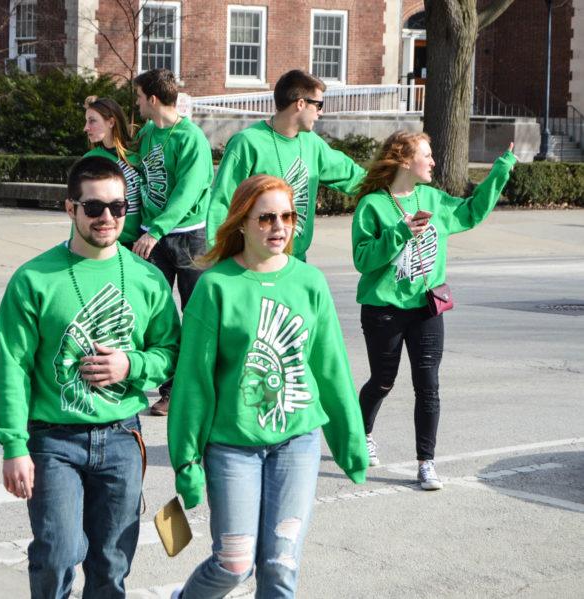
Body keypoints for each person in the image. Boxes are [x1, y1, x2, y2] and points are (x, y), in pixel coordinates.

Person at [0, 156, 180, 599]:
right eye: (94, 207)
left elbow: (171, 353)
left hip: (121, 438)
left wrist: (132, 365)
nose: (107, 217)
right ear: (69, 208)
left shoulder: (148, 279)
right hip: (53, 441)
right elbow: (13, 366)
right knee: (55, 555)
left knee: (111, 564)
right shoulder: (33, 279)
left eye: (118, 206)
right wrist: (14, 446)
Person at [168, 174, 367, 599]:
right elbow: (193, 382)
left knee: (280, 567)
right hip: (232, 446)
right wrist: (186, 462)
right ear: (241, 223)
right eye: (266, 218)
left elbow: (331, 368)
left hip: (297, 441)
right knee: (233, 565)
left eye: (287, 216)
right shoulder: (215, 286)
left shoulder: (309, 282)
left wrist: (350, 442)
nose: (279, 226)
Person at [352, 131, 516, 490]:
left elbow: (471, 213)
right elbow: (363, 260)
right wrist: (399, 232)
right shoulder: (373, 206)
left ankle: (426, 462)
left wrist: (500, 170)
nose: (433, 162)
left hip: (427, 308)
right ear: (404, 161)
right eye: (426, 156)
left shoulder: (433, 199)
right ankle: (361, 432)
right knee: (382, 380)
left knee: (428, 386)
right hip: (384, 310)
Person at [206, 69, 366, 261]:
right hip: (255, 262)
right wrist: (218, 257)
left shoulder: (312, 143)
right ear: (300, 104)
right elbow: (222, 201)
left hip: (297, 263)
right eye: (319, 105)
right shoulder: (247, 143)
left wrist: (397, 182)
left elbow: (354, 177)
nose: (321, 113)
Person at [132, 68, 214, 416]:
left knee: (194, 315)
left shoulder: (190, 138)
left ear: (152, 99)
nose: (135, 104)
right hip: (155, 235)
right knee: (153, 312)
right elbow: (137, 170)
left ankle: (182, 389)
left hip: (190, 238)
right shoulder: (149, 132)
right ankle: (151, 378)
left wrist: (156, 230)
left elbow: (187, 193)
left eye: (137, 97)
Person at [82, 96, 143, 248]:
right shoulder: (90, 160)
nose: (85, 128)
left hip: (143, 244)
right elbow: (79, 208)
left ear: (111, 122)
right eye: (86, 121)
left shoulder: (140, 153)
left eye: (92, 121)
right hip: (108, 243)